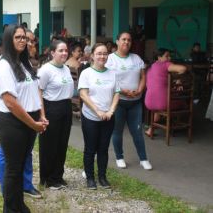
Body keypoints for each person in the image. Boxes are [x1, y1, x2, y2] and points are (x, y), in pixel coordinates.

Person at [0, 24, 48, 212]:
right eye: (18, 37)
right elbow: (10, 102)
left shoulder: (24, 62)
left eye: (25, 37)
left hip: (29, 120)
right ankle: (10, 208)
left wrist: (41, 115)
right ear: (8, 39)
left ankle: (18, 204)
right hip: (13, 122)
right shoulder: (3, 65)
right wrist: (34, 124)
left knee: (21, 164)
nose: (23, 40)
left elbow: (34, 91)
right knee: (13, 169)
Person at [105, 31, 152, 170]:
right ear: (117, 41)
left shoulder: (136, 58)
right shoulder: (110, 59)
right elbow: (108, 80)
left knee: (137, 131)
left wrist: (140, 89)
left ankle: (143, 159)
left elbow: (143, 76)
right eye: (123, 39)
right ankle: (119, 157)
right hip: (119, 101)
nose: (126, 42)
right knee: (117, 131)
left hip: (135, 102)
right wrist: (124, 91)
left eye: (129, 40)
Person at [79, 43, 120, 189]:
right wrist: (97, 111)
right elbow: (83, 94)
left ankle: (102, 177)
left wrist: (111, 111)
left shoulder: (112, 73)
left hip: (108, 118)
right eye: (99, 53)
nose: (102, 56)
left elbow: (116, 93)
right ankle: (90, 178)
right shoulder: (86, 73)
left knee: (103, 148)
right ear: (92, 56)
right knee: (90, 148)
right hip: (90, 117)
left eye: (105, 53)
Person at [37, 40, 74, 190]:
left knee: (62, 144)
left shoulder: (65, 68)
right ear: (52, 53)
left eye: (66, 50)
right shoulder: (45, 70)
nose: (64, 53)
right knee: (49, 145)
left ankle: (58, 176)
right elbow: (38, 91)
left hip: (66, 107)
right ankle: (47, 179)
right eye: (61, 50)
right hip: (51, 108)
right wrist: (42, 114)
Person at [144, 48, 187, 137]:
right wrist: (177, 79)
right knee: (183, 103)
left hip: (149, 102)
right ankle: (174, 126)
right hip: (163, 103)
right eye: (166, 56)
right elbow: (183, 68)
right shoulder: (165, 64)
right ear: (159, 58)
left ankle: (150, 129)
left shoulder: (150, 67)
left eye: (169, 56)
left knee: (159, 108)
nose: (169, 58)